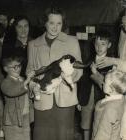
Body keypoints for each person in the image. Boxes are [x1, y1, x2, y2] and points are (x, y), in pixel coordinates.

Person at [27, 7, 83, 140]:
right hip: (42, 100)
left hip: (65, 99)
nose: (55, 27)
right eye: (51, 23)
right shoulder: (33, 44)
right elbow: (30, 71)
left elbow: (79, 68)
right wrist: (33, 86)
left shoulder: (72, 41)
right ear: (44, 23)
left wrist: (65, 77)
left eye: (59, 23)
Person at [78, 30, 114, 140]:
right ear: (93, 45)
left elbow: (110, 86)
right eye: (97, 44)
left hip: (103, 100)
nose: (99, 47)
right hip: (87, 99)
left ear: (109, 45)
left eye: (103, 44)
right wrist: (79, 100)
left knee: (101, 126)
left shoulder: (113, 63)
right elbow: (82, 81)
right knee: (86, 125)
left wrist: (96, 73)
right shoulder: (88, 60)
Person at [1, 55, 34, 140]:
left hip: (26, 115)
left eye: (19, 66)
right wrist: (27, 81)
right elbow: (13, 91)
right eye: (14, 67)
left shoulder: (22, 79)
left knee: (26, 137)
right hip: (13, 119)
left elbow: (28, 96)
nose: (18, 69)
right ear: (6, 69)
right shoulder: (5, 83)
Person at [91, 69, 126, 140]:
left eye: (105, 82)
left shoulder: (109, 109)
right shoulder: (120, 98)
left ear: (111, 89)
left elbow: (102, 135)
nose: (103, 83)